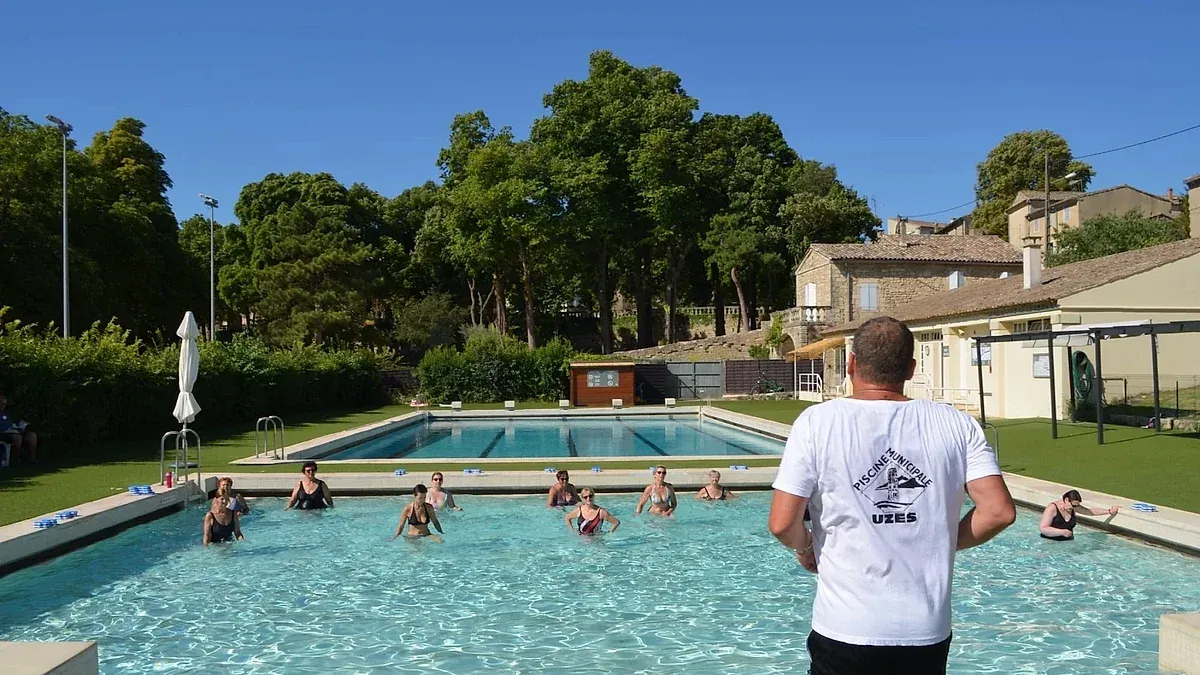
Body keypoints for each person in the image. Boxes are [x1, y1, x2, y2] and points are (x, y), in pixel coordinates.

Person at [767, 316, 1016, 675]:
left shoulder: (817, 422)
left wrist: (807, 548)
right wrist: (939, 540)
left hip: (845, 628)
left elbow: (781, 523)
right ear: (911, 368)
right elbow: (998, 512)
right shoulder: (956, 423)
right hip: (924, 630)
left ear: (851, 364)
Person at [1040, 489, 1119, 541]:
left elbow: (1089, 511)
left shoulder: (1074, 507)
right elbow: (1043, 528)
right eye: (1073, 505)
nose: (1075, 508)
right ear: (1066, 500)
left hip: (1067, 542)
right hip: (1049, 541)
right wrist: (1061, 532)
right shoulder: (1052, 508)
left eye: (1077, 506)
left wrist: (1109, 511)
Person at [0, 393, 39, 465]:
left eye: (4, 404)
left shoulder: (8, 413)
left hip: (13, 431)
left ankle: (32, 459)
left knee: (32, 435)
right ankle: (15, 460)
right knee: (17, 438)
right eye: (1, 403)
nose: (3, 405)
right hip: (3, 434)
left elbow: (14, 423)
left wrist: (21, 426)